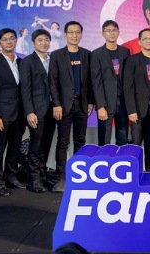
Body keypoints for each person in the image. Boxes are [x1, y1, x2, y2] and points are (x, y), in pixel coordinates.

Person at [49, 21, 95, 192]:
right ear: (65, 35)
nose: (74, 35)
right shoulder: (57, 55)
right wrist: (56, 104)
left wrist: (91, 101)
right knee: (63, 142)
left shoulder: (87, 55)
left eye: (77, 32)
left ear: (81, 34)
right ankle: (61, 178)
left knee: (80, 141)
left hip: (82, 104)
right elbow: (52, 82)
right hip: (63, 106)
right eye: (71, 32)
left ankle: (79, 176)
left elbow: (91, 81)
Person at [0, 28, 26, 197]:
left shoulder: (22, 62)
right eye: (5, 39)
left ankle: (11, 176)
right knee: (0, 147)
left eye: (11, 38)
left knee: (15, 147)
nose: (9, 41)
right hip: (2, 114)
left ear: (16, 40)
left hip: (20, 114)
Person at [124, 28, 150, 171]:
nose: (148, 41)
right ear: (139, 42)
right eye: (145, 38)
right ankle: (133, 173)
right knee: (135, 144)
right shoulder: (132, 60)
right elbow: (128, 87)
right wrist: (131, 110)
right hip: (137, 110)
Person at [20, 29, 56, 193]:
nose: (44, 43)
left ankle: (42, 175)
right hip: (36, 111)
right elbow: (25, 89)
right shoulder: (27, 61)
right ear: (33, 43)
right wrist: (29, 112)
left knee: (46, 144)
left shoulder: (53, 60)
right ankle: (33, 180)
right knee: (35, 145)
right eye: (40, 40)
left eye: (46, 39)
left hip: (52, 110)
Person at [91, 20, 130, 146]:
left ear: (118, 32)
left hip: (123, 101)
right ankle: (103, 158)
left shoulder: (125, 52)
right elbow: (96, 81)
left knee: (123, 137)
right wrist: (100, 106)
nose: (112, 33)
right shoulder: (97, 54)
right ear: (103, 33)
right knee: (104, 138)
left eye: (114, 30)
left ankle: (121, 157)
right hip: (106, 102)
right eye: (108, 30)